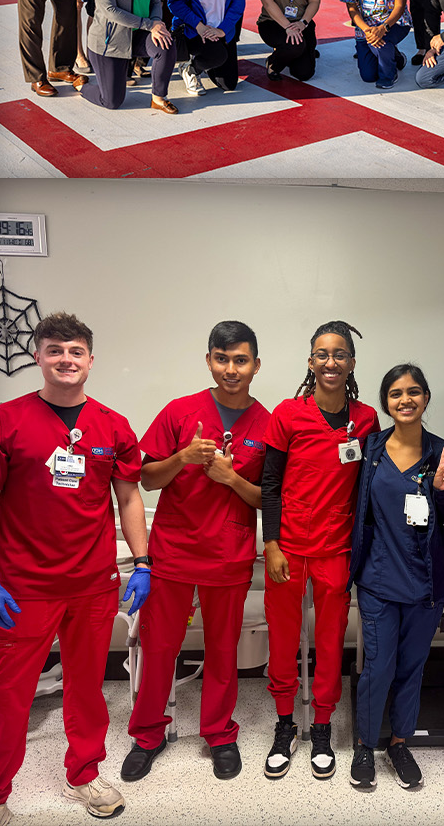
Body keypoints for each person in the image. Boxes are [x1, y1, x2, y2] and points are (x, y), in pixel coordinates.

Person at [0, 312, 149, 821]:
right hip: (22, 587)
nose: (65, 359)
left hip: (93, 585)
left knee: (86, 688)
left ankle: (84, 773)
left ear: (90, 361)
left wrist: (142, 562)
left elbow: (128, 499)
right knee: (9, 696)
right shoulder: (7, 420)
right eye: (55, 350)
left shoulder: (113, 425)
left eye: (75, 351)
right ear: (38, 357)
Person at [122, 322, 270, 782]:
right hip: (173, 550)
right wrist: (182, 458)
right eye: (222, 359)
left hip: (229, 552)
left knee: (223, 650)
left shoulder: (268, 424)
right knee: (158, 646)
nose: (231, 369)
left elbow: (270, 498)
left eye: (241, 360)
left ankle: (220, 734)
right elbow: (146, 478)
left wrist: (231, 479)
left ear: (256, 366)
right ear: (209, 360)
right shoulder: (179, 412)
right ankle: (147, 734)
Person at [260, 321, 381, 782]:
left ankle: (325, 726)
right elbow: (270, 486)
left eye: (340, 354)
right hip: (287, 548)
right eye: (322, 354)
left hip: (336, 548)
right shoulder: (288, 414)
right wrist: (271, 544)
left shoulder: (365, 419)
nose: (331, 362)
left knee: (331, 642)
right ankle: (286, 723)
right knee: (284, 639)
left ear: (352, 362)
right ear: (310, 362)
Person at [346, 365, 444, 792]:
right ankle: (364, 744)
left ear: (427, 398)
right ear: (386, 402)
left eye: (413, 392)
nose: (405, 399)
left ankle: (399, 742)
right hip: (377, 578)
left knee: (413, 666)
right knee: (378, 666)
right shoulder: (370, 449)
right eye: (395, 394)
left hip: (427, 581)